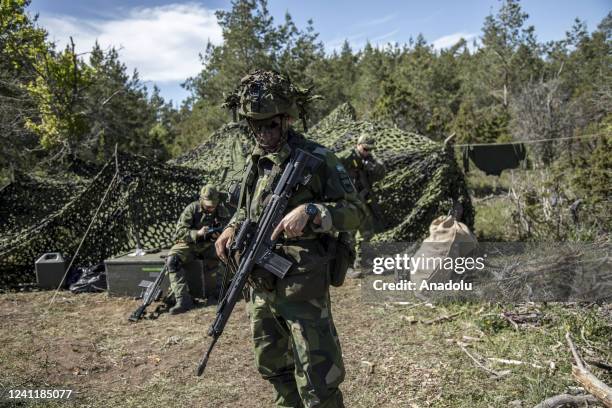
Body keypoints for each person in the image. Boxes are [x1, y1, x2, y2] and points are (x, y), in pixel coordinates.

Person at [215, 70, 366, 408]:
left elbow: (356, 211)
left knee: (317, 377)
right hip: (260, 283)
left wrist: (313, 211)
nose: (262, 132)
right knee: (273, 366)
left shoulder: (317, 158)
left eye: (269, 124)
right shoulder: (255, 161)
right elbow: (247, 210)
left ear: (286, 118)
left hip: (302, 286)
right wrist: (230, 228)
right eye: (254, 125)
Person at [166, 184, 230, 314]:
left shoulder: (222, 211)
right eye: (208, 205)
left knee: (228, 254)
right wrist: (198, 233)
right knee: (173, 260)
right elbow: (179, 232)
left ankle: (218, 294)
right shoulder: (192, 209)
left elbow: (229, 228)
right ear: (201, 200)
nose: (211, 208)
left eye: (213, 205)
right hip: (191, 244)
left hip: (211, 245)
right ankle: (183, 300)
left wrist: (220, 234)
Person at [338, 134, 386, 271]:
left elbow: (382, 172)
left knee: (367, 231)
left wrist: (373, 166)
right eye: (365, 148)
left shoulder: (369, 158)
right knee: (349, 234)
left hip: (363, 200)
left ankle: (361, 261)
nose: (367, 152)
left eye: (370, 149)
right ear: (358, 145)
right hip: (348, 201)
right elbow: (332, 165)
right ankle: (346, 265)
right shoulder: (348, 156)